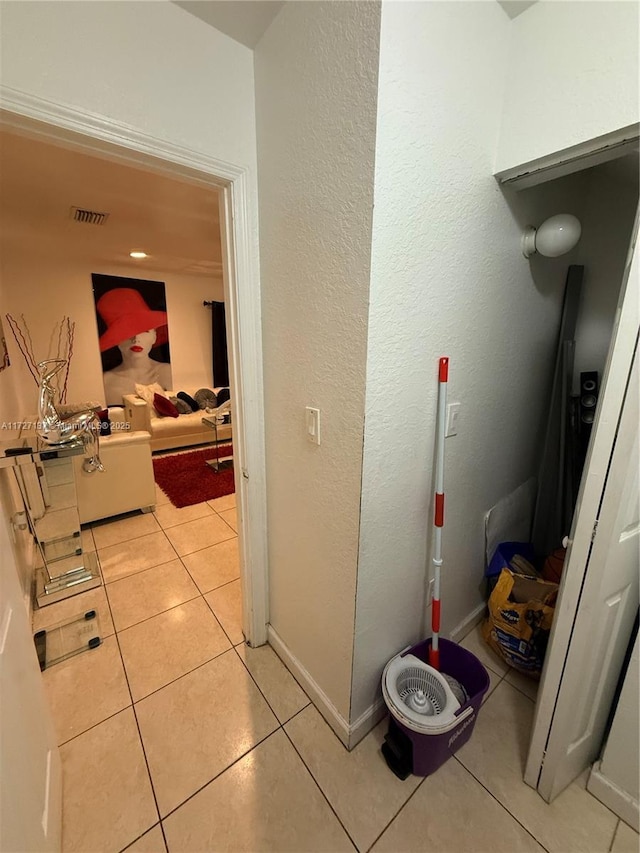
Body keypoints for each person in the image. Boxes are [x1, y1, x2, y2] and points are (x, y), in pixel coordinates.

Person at [97, 288, 172, 405]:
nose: (136, 339)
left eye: (145, 331)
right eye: (127, 331)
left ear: (154, 336)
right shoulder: (106, 381)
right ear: (115, 339)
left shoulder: (167, 372)